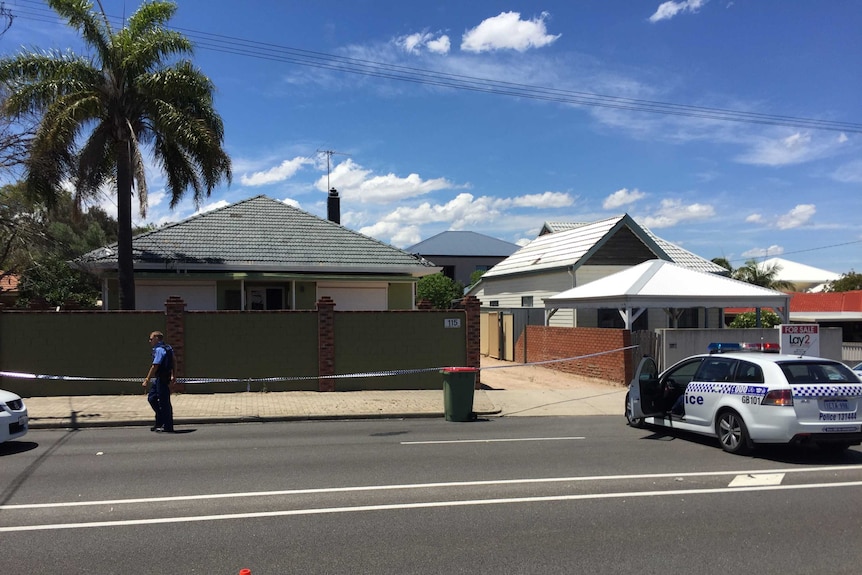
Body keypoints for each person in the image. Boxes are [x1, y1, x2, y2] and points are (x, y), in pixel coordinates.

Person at [143, 331, 176, 432]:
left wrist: (147, 379)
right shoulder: (167, 348)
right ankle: (160, 420)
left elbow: (155, 366)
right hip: (159, 379)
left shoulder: (160, 350)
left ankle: (168, 426)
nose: (150, 341)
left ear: (157, 339)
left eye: (151, 339)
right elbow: (174, 361)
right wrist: (174, 375)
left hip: (162, 379)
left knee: (164, 403)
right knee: (152, 398)